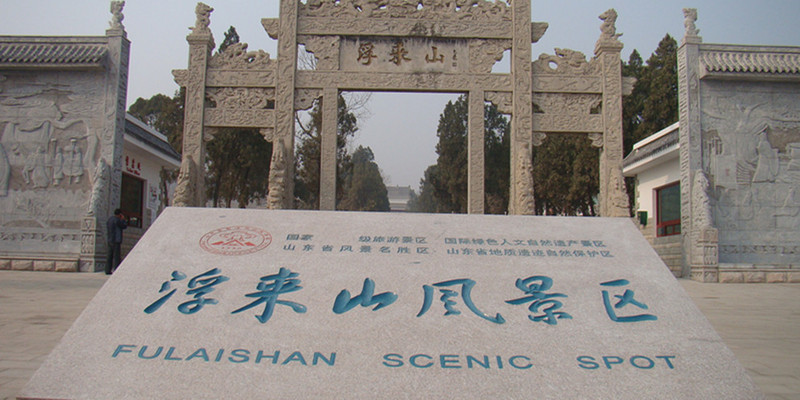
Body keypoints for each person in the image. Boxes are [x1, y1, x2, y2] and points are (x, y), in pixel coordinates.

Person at [106, 208, 128, 275]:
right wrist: (123, 219)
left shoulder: (110, 220)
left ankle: (107, 270)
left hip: (110, 239)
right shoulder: (118, 220)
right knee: (116, 256)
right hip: (116, 240)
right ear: (120, 214)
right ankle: (116, 269)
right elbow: (124, 226)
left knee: (109, 256)